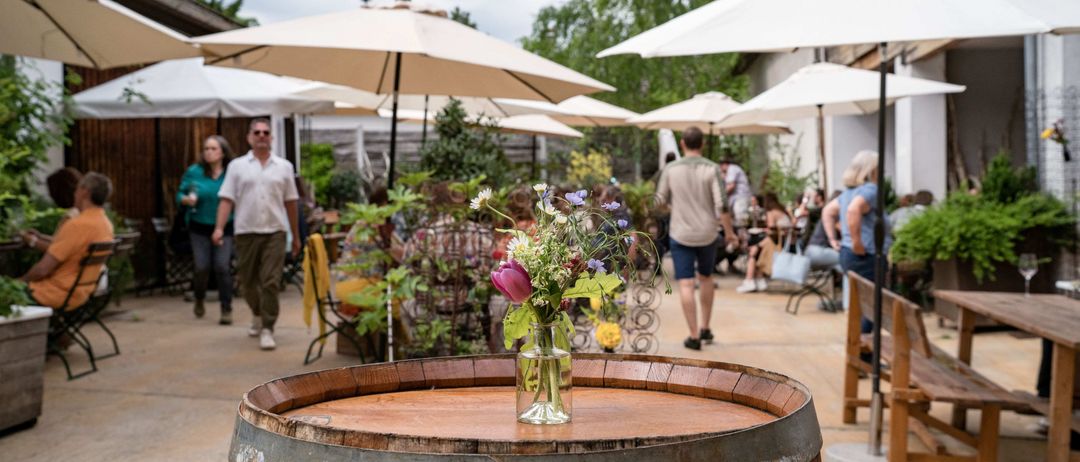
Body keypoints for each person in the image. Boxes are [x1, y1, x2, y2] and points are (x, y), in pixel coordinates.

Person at [213, 118, 301, 351]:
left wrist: (296, 235)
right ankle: (257, 314)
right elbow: (226, 199)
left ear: (271, 137)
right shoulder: (237, 166)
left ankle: (267, 328)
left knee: (271, 281)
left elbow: (291, 203)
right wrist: (219, 227)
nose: (262, 135)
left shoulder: (284, 167)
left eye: (266, 132)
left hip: (275, 231)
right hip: (246, 232)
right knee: (248, 283)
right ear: (249, 137)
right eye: (257, 132)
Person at [656, 126, 736, 350]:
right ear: (701, 144)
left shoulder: (671, 169)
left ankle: (693, 335)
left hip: (680, 233)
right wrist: (729, 233)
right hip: (708, 233)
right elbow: (723, 204)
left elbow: (659, 199)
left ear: (682, 144)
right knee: (706, 278)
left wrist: (673, 206)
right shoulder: (712, 169)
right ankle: (706, 328)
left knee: (686, 283)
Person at [20, 173, 115, 310]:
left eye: (77, 189)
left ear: (84, 192)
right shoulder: (105, 224)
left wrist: (18, 282)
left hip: (55, 293)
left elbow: (42, 270)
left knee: (7, 292)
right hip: (82, 292)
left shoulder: (77, 225)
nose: (74, 193)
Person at [822, 150, 891, 334]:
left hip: (849, 255)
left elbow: (828, 211)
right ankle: (865, 356)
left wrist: (833, 240)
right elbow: (853, 211)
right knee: (870, 309)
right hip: (866, 255)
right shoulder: (870, 189)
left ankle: (860, 354)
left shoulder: (848, 193)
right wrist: (857, 242)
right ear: (872, 170)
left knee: (861, 306)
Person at [177, 135, 234, 324]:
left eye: (213, 149)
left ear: (223, 152)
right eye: (206, 149)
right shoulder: (195, 172)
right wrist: (185, 199)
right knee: (202, 267)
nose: (208, 152)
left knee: (222, 266)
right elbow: (180, 193)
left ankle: (226, 308)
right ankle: (199, 297)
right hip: (199, 226)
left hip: (225, 227)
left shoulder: (231, 173)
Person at [736, 192, 793, 293]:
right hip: (786, 243)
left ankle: (749, 280)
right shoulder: (782, 210)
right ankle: (759, 279)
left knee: (753, 250)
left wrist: (761, 236)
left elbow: (772, 231)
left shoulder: (771, 212)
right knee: (757, 249)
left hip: (778, 244)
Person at [20, 167, 83, 252]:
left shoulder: (71, 216)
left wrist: (32, 241)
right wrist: (40, 236)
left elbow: (59, 251)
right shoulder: (85, 212)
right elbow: (64, 242)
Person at [719, 158, 752, 226]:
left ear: (724, 165)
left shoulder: (732, 168)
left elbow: (731, 186)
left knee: (740, 216)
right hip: (735, 197)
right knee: (731, 217)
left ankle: (742, 234)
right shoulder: (729, 172)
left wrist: (720, 195)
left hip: (740, 196)